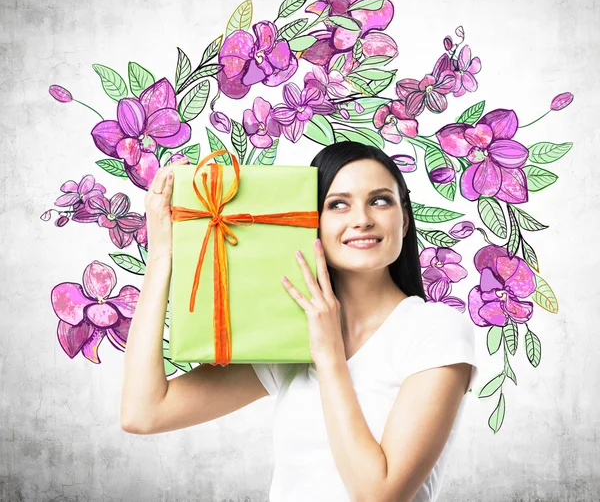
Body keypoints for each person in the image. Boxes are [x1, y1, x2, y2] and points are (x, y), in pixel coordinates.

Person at [120, 141, 479, 502]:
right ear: (312, 224)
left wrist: (330, 358)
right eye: (338, 204)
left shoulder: (436, 331)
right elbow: (144, 412)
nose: (361, 219)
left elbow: (378, 495)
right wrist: (162, 255)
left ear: (403, 220)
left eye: (380, 200)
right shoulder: (292, 335)